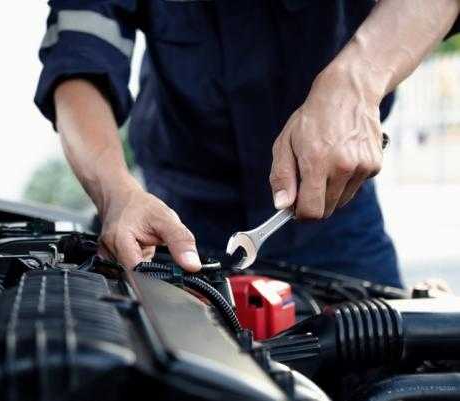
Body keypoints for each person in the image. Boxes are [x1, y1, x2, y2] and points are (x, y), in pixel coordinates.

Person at [34, 0, 460, 288]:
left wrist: (357, 80)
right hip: (171, 228)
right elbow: (78, 58)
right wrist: (116, 195)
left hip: (337, 216)